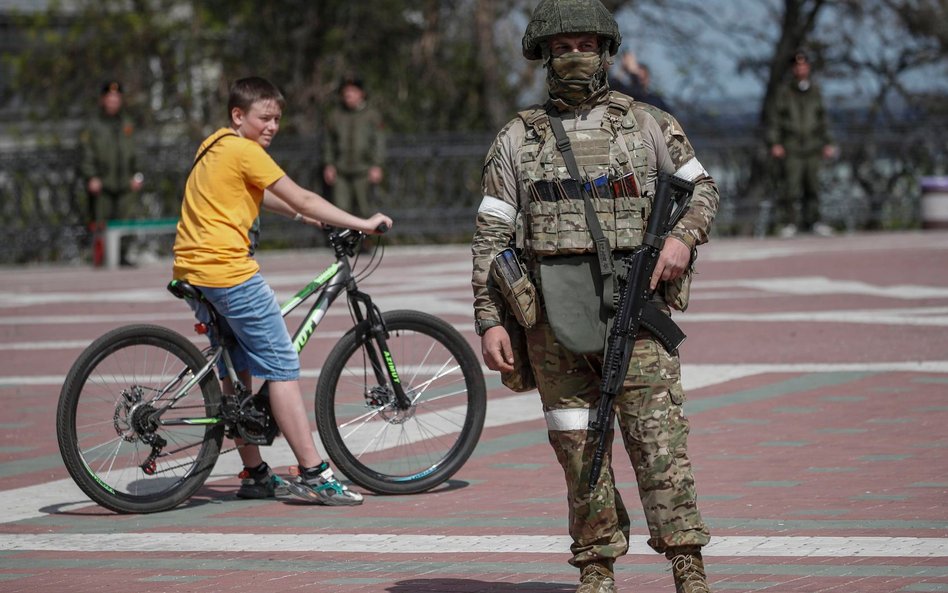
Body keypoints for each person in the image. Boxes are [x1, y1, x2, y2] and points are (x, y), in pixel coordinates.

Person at [471, 1, 718, 592]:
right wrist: (488, 319)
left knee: (659, 443)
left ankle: (688, 561)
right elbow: (492, 235)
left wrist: (682, 237)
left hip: (637, 314)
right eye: (562, 48)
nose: (574, 57)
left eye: (585, 45)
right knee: (577, 447)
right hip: (551, 324)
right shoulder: (515, 139)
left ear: (606, 51)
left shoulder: (649, 124)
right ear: (544, 56)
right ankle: (596, 566)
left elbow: (702, 188)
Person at [172, 76, 392, 505]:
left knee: (236, 369)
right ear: (239, 116)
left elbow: (262, 195)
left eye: (277, 119)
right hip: (229, 271)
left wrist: (304, 218)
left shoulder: (214, 145)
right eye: (264, 118)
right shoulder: (245, 150)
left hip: (193, 269)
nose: (272, 126)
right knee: (282, 364)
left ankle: (254, 473)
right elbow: (306, 196)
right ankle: (314, 472)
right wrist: (362, 223)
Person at [765, 50, 836, 238]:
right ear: (793, 69)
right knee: (791, 186)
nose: (801, 68)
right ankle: (790, 222)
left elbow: (823, 119)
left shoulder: (816, 91)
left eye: (804, 65)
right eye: (797, 66)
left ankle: (815, 221)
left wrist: (828, 142)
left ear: (809, 67)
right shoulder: (785, 91)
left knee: (813, 185)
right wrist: (775, 143)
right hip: (791, 146)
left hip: (813, 145)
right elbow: (775, 120)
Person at [77, 81, 144, 267]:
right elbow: (87, 153)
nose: (113, 102)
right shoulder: (94, 126)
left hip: (124, 182)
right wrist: (91, 176)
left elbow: (135, 152)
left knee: (126, 219)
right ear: (103, 100)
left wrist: (137, 175)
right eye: (110, 98)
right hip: (103, 182)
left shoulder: (127, 123)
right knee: (101, 221)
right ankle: (101, 257)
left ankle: (122, 255)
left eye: (117, 98)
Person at [321, 75, 386, 217]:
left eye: (352, 91)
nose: (348, 94)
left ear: (361, 93)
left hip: (364, 169)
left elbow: (379, 141)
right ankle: (343, 239)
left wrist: (377, 165)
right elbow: (328, 142)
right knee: (340, 210)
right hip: (341, 170)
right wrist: (329, 164)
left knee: (365, 210)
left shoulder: (371, 115)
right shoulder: (335, 115)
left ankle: (366, 239)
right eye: (346, 91)